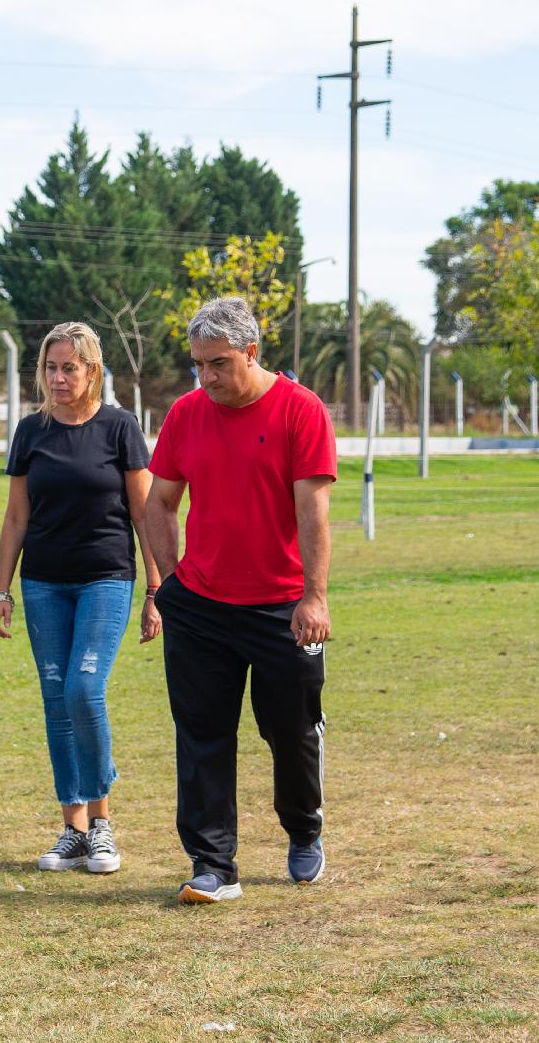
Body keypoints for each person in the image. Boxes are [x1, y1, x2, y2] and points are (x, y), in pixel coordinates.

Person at [144, 296, 335, 904]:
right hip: (199, 605)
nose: (206, 378)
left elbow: (313, 510)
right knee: (201, 733)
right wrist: (169, 585)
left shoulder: (299, 410)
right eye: (198, 365)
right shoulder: (186, 413)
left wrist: (315, 597)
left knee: (290, 729)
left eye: (219, 364)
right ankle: (212, 864)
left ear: (251, 352)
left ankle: (304, 829)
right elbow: (159, 504)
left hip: (282, 608)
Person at [0, 322, 162, 876]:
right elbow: (17, 516)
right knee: (57, 699)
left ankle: (104, 823)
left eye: (70, 367)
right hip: (42, 583)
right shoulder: (30, 431)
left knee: (85, 691)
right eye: (50, 367)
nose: (59, 378)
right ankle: (74, 829)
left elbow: (144, 514)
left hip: (106, 579)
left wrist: (156, 590)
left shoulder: (120, 427)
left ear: (93, 371)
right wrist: (1, 590)